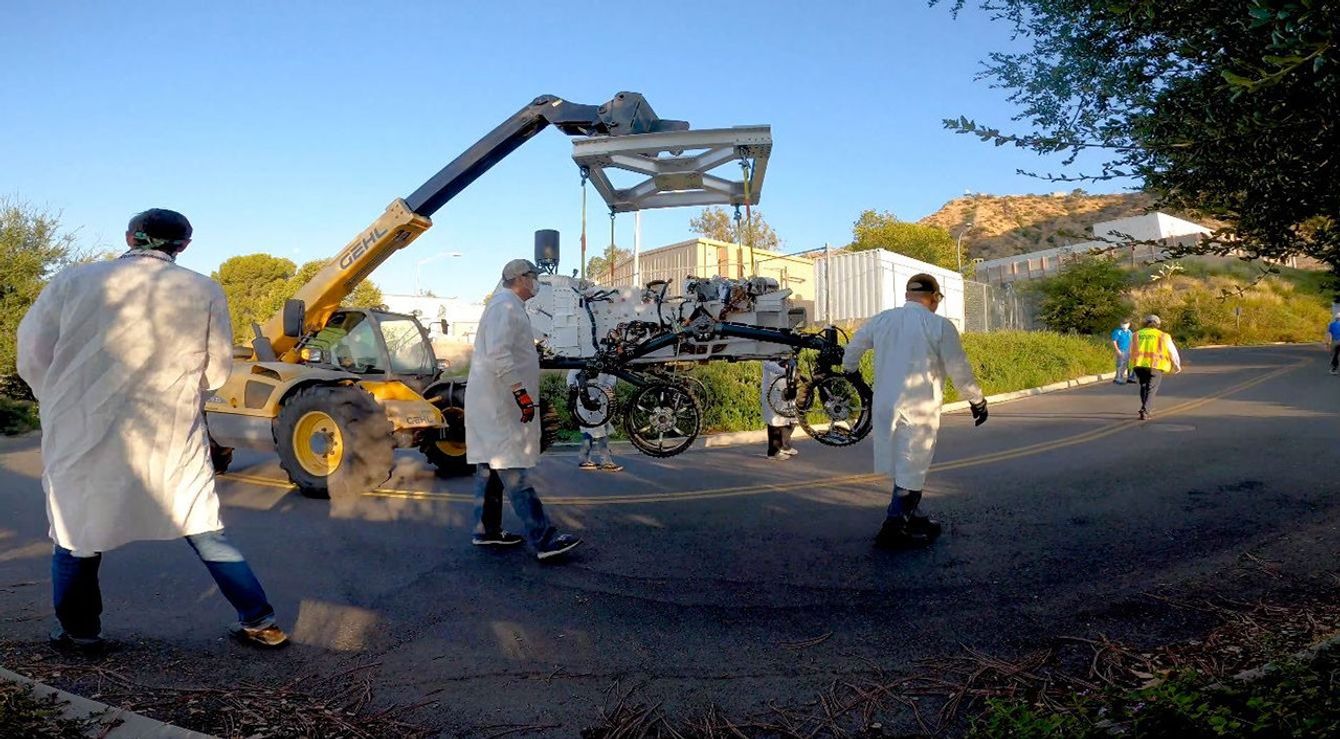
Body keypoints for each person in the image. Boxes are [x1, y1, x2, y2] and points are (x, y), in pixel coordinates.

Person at [16, 209, 288, 654]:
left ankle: (81, 634)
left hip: (81, 428)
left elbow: (32, 351)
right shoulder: (203, 290)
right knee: (201, 524)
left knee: (76, 531)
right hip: (170, 432)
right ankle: (261, 622)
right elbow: (218, 371)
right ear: (183, 246)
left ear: (128, 236)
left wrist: (59, 396)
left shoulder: (74, 281)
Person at [841, 274, 988, 549]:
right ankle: (894, 526)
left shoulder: (882, 320)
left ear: (908, 294)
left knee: (904, 463)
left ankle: (915, 515)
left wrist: (850, 373)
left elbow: (854, 348)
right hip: (918, 408)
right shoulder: (939, 325)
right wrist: (976, 400)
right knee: (912, 463)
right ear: (934, 297)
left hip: (884, 405)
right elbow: (959, 369)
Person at [465, 258, 582, 560]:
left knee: (490, 468)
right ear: (520, 278)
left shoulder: (508, 306)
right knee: (511, 470)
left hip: (492, 402)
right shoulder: (505, 307)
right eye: (533, 277)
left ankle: (486, 532)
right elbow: (499, 355)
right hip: (499, 405)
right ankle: (544, 540)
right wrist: (521, 395)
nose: (536, 283)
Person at [566, 369, 623, 471]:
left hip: (600, 398)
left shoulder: (602, 361)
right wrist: (574, 387)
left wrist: (607, 386)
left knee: (594, 430)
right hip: (586, 399)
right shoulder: (581, 362)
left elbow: (612, 375)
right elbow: (571, 378)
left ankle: (586, 460)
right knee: (595, 432)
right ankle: (606, 462)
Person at [1129, 314, 1182, 420]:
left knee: (1144, 386)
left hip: (1139, 365)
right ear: (1158, 325)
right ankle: (1145, 410)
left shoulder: (1136, 335)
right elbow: (1172, 351)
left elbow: (1129, 350)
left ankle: (1145, 406)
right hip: (1155, 365)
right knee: (1151, 388)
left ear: (1145, 323)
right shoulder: (1163, 336)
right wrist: (1176, 364)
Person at [761, 359, 799, 459]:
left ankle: (785, 447)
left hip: (786, 393)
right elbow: (775, 368)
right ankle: (774, 453)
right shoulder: (768, 359)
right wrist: (788, 370)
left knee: (791, 420)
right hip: (773, 396)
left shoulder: (786, 355)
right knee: (775, 423)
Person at [1111, 319, 1135, 384]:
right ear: (1120, 324)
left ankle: (1129, 378)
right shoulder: (1118, 331)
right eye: (1123, 324)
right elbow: (1114, 341)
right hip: (1121, 350)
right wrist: (1117, 350)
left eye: (1126, 324)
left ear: (1129, 324)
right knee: (1120, 364)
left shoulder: (1129, 332)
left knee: (1128, 365)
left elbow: (1131, 341)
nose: (1124, 325)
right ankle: (1118, 378)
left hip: (1128, 350)